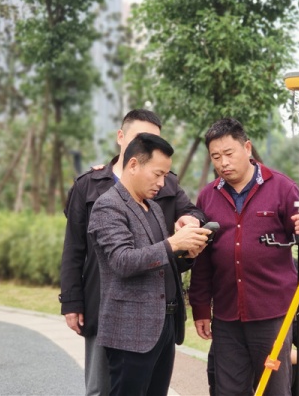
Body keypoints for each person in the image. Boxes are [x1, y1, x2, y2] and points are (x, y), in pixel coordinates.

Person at [59, 109, 206, 396]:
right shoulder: (96, 191)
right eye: (158, 174)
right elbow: (92, 253)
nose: (162, 182)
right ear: (124, 141)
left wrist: (187, 248)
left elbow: (168, 244)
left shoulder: (152, 201)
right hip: (119, 316)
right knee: (101, 388)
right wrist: (72, 301)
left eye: (165, 174)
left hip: (160, 321)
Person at [189, 117, 299, 395]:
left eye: (229, 153)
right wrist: (201, 307)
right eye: (216, 156)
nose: (223, 162)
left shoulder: (282, 188)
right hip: (226, 318)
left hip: (272, 315)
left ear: (247, 148)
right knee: (228, 390)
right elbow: (202, 261)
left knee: (274, 388)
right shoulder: (207, 197)